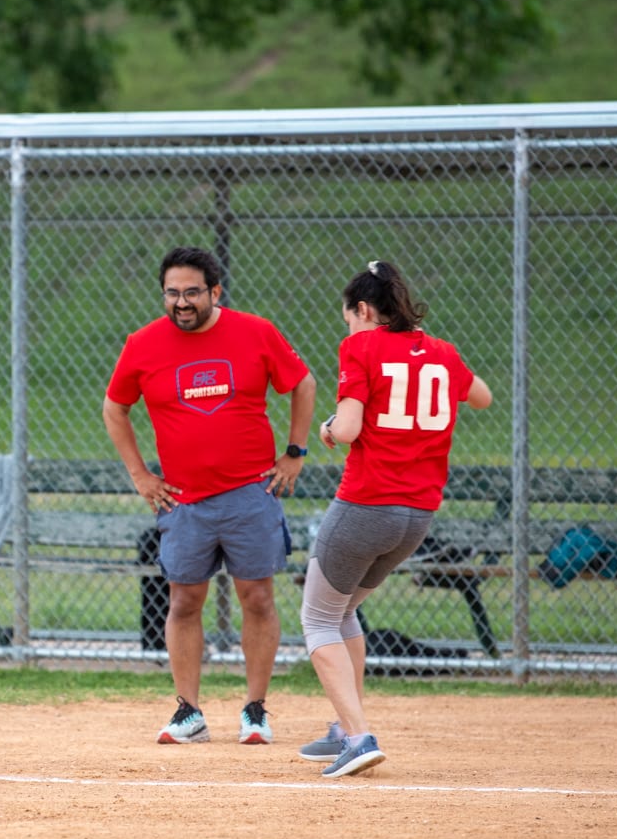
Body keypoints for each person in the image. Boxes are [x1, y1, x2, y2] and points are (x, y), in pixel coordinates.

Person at [103, 246, 316, 745]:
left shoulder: (255, 331)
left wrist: (295, 452)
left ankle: (256, 710)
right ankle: (188, 712)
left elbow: (302, 385)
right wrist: (140, 475)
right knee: (184, 600)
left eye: (192, 292)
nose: (181, 302)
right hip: (183, 500)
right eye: (172, 293)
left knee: (258, 598)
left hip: (250, 492)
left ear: (215, 292)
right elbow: (116, 409)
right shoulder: (143, 344)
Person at [297, 260, 493, 777]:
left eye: (350, 318)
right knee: (342, 612)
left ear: (364, 309)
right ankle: (345, 728)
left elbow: (350, 426)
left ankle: (359, 738)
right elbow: (482, 397)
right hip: (418, 516)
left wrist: (328, 429)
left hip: (367, 503)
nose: (349, 329)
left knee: (316, 619)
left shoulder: (360, 346)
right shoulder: (443, 352)